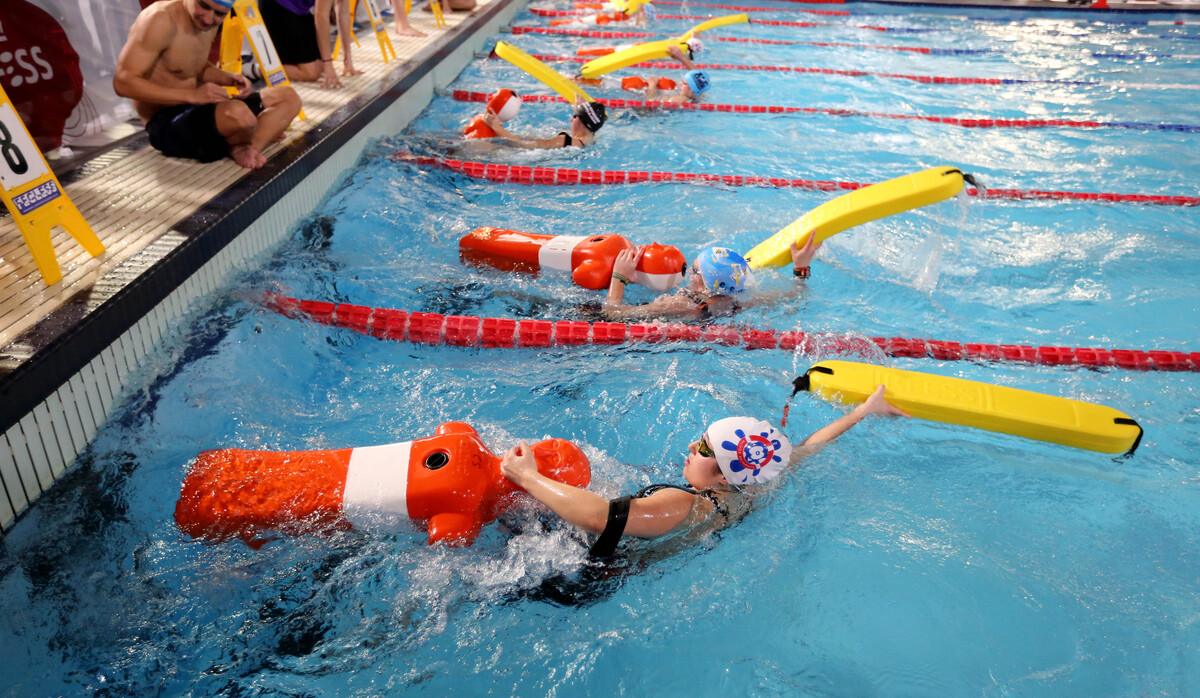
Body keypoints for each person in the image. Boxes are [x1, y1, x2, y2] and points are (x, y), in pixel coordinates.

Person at [500, 386, 908, 558]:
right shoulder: (757, 486)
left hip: (583, 570)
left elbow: (599, 518)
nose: (690, 449)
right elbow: (807, 447)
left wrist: (527, 476)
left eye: (703, 450)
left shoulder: (687, 505)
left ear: (724, 477)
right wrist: (863, 410)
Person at [114, 0, 303, 169]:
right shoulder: (160, 20)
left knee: (288, 97)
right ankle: (245, 139)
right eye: (203, 5)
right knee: (240, 116)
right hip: (166, 123)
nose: (207, 19)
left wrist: (227, 77)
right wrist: (191, 96)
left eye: (219, 14)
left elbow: (190, 64)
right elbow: (123, 82)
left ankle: (246, 146)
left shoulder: (208, 22)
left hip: (200, 110)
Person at [602, 229, 821, 321]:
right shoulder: (742, 301)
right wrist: (800, 268)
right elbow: (796, 294)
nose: (689, 272)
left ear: (704, 283)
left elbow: (614, 314)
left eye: (694, 270)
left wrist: (618, 277)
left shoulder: (680, 304)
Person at [257, 0, 361, 88]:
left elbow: (343, 10)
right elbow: (321, 16)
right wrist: (328, 64)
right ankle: (256, 69)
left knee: (320, 67)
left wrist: (348, 62)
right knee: (311, 73)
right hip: (277, 7)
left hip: (300, 11)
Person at [482, 96, 607, 149]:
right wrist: (580, 112)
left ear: (583, 124)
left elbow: (525, 146)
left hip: (528, 159)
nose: (571, 119)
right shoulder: (591, 138)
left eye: (574, 117)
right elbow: (590, 121)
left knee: (479, 146)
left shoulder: (563, 141)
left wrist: (497, 127)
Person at [644, 43, 710, 104]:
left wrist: (652, 84)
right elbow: (697, 76)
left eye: (684, 82)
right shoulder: (699, 94)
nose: (680, 84)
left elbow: (650, 102)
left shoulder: (677, 100)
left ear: (690, 88)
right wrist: (681, 57)